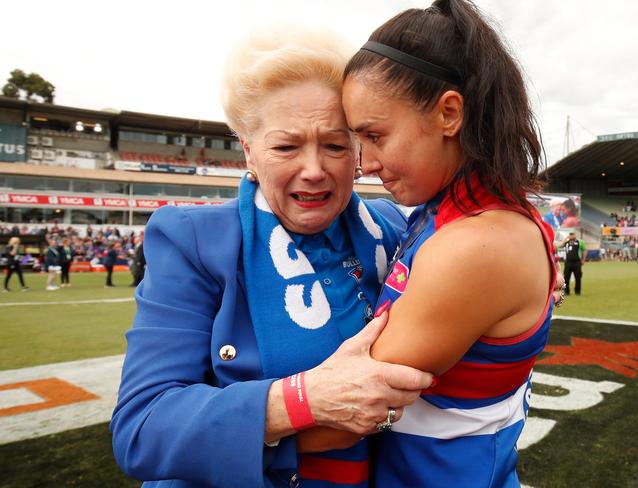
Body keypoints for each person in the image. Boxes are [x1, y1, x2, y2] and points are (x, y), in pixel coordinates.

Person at [111, 26, 434, 488]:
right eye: (286, 146)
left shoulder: (396, 226)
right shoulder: (194, 239)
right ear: (249, 150)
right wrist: (304, 399)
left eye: (335, 145)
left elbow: (482, 239)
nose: (314, 170)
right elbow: (141, 429)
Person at [299, 1, 559, 485]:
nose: (365, 163)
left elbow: (339, 420)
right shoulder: (448, 212)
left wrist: (216, 425)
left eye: (375, 135)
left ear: (449, 113)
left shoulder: (478, 244)